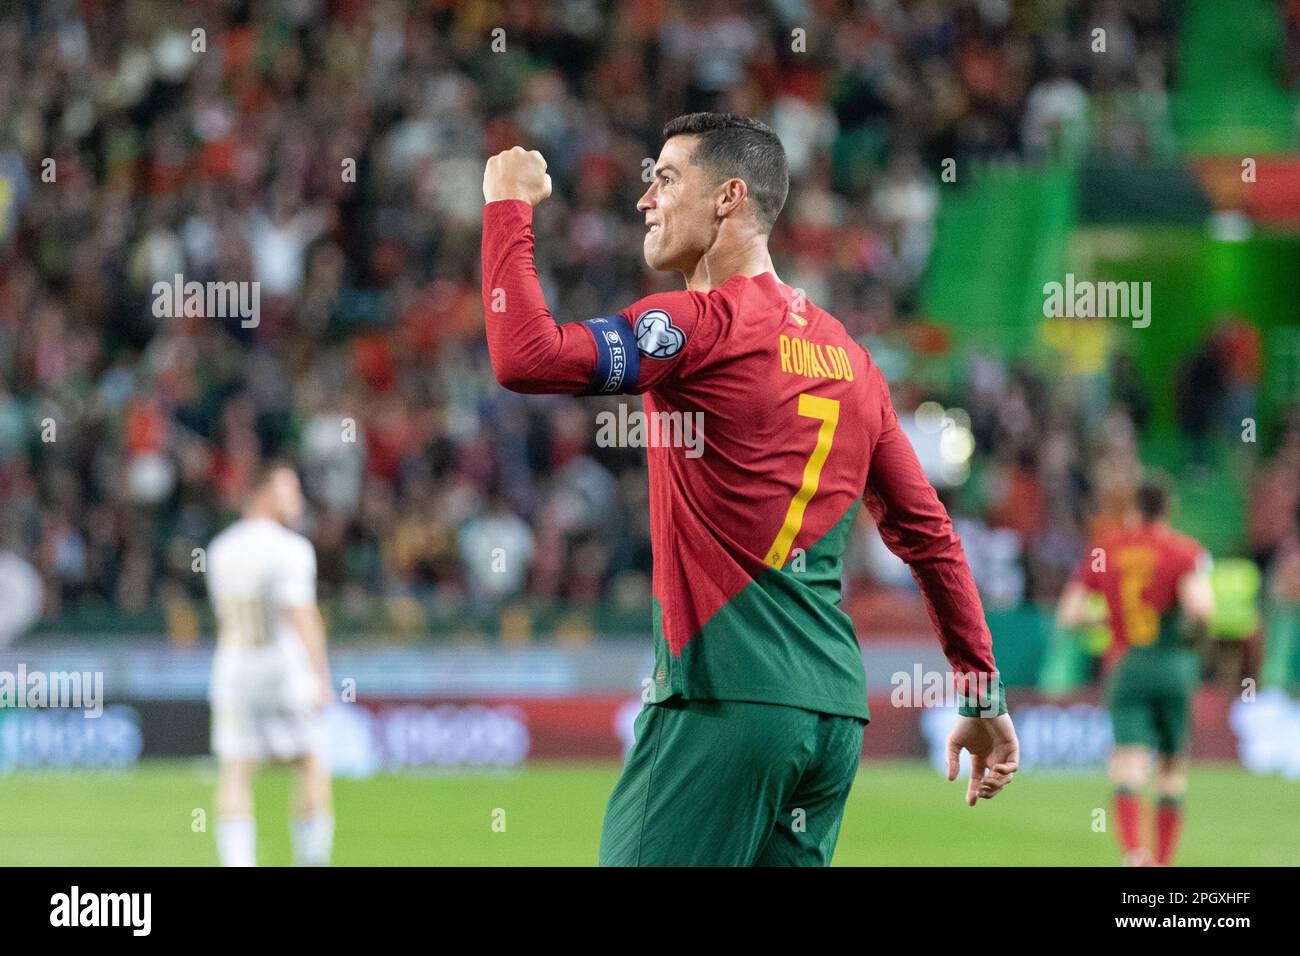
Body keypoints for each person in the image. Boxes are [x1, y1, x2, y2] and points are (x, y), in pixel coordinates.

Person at [480, 112, 1018, 866]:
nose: (646, 200)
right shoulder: (853, 361)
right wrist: (980, 691)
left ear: (729, 197)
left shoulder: (700, 326)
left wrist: (506, 206)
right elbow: (930, 538)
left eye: (665, 179)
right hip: (830, 718)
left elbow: (525, 356)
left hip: (722, 701)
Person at [1056, 478, 1214, 866]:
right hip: (1174, 663)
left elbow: (1070, 613)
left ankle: (1134, 854)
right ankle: (1162, 861)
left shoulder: (1107, 550)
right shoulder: (1184, 552)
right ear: (1167, 510)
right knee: (1172, 767)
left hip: (1126, 665)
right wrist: (1190, 639)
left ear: (1133, 510)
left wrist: (1105, 625)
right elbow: (1201, 608)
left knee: (1127, 762)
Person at [206, 461, 334, 866]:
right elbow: (303, 617)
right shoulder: (291, 548)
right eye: (289, 490)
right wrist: (322, 678)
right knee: (312, 762)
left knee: (237, 770)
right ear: (263, 494)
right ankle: (311, 860)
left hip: (234, 669)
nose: (298, 499)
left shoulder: (220, 547)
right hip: (282, 671)